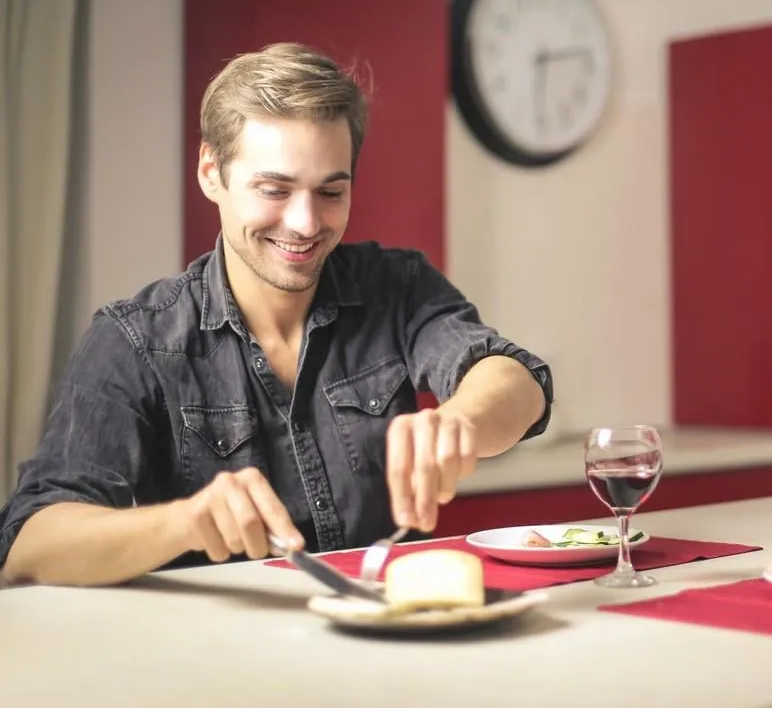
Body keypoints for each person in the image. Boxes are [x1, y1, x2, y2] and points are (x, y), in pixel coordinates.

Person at [0, 42, 553, 587]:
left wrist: (460, 422)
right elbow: (30, 545)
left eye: (330, 192)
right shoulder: (134, 339)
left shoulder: (397, 285)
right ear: (211, 173)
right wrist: (182, 522)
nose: (307, 223)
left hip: (386, 649)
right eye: (274, 189)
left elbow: (518, 381)